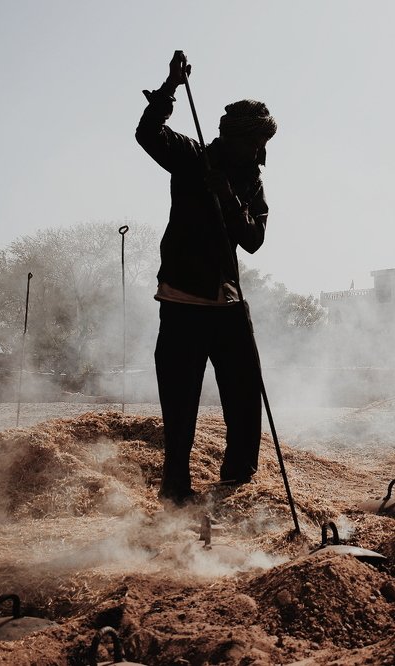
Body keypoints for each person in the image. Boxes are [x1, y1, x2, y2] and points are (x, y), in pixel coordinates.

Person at [136, 51, 277, 505]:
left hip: (229, 305)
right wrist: (170, 88)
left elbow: (253, 240)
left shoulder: (250, 181)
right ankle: (175, 490)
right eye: (257, 143)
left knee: (245, 395)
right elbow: (147, 134)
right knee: (180, 406)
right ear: (235, 139)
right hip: (183, 302)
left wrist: (229, 198)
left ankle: (237, 483)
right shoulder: (192, 157)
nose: (262, 153)